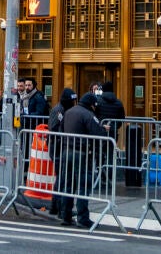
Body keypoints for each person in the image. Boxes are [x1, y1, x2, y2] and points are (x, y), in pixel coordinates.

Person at [58, 93, 109, 227]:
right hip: (82, 153)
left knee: (68, 185)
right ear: (92, 105)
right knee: (83, 185)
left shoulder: (69, 112)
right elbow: (98, 133)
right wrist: (104, 129)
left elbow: (61, 129)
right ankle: (83, 218)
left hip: (67, 151)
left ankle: (66, 216)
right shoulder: (88, 115)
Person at [48, 88, 78, 217]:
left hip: (60, 146)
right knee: (62, 178)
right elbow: (54, 128)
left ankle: (55, 206)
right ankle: (59, 207)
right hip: (58, 147)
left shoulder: (64, 110)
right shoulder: (58, 110)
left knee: (61, 177)